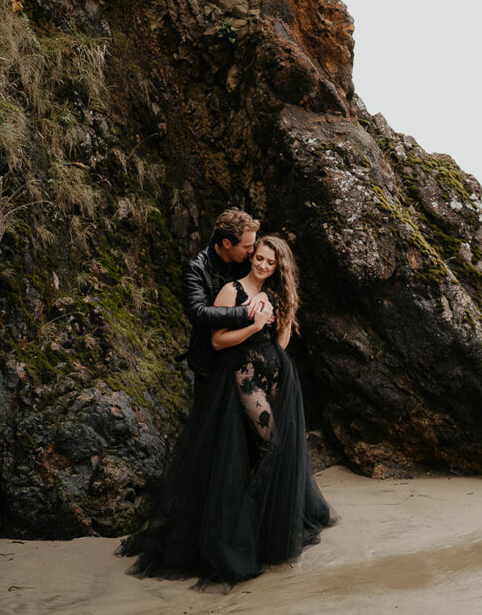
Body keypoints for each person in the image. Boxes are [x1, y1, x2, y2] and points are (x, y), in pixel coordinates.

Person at [123, 234, 336, 584]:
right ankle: (242, 529)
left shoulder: (273, 294)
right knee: (272, 445)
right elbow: (217, 340)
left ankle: (262, 530)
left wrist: (280, 316)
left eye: (271, 262)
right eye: (260, 258)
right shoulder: (231, 291)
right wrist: (253, 324)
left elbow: (279, 343)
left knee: (263, 450)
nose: (263, 265)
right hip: (242, 375)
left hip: (274, 372)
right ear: (252, 256)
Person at [181, 209, 263, 402]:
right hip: (210, 362)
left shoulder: (247, 259)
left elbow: (271, 275)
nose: (252, 251)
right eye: (247, 246)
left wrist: (265, 297)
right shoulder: (196, 269)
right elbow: (197, 312)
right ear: (227, 243)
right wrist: (248, 312)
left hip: (248, 359)